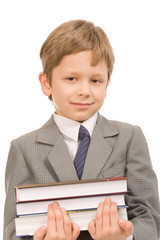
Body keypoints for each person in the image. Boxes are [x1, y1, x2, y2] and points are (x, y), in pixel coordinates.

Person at [3, 20, 160, 240]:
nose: (84, 91)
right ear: (46, 83)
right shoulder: (23, 149)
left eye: (95, 80)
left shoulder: (129, 137)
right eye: (71, 79)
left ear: (107, 85)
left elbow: (150, 218)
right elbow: (12, 230)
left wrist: (125, 237)